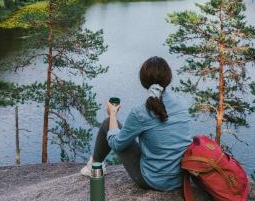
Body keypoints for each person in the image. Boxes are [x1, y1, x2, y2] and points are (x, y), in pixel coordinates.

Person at [80, 56, 191, 191]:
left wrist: (113, 114)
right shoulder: (182, 103)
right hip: (181, 179)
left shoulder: (140, 112)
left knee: (107, 123)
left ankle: (95, 166)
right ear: (169, 78)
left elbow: (116, 145)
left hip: (153, 180)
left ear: (143, 81)